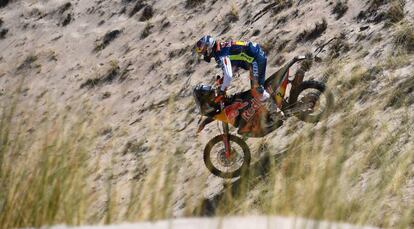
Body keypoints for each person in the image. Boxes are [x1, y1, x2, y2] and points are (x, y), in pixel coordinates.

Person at [194, 35, 270, 103]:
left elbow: (229, 75)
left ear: (209, 46)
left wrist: (222, 90)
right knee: (255, 90)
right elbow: (232, 66)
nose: (203, 53)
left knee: (257, 92)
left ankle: (275, 111)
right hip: (254, 57)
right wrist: (223, 80)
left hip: (255, 59)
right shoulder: (221, 49)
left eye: (203, 49)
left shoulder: (221, 54)